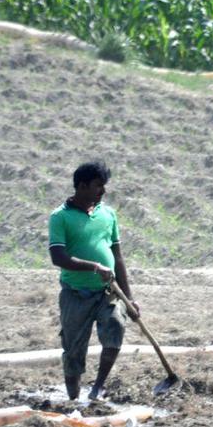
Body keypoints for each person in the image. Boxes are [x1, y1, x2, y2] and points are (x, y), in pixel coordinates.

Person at [48, 161, 139, 402]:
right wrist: (94, 267)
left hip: (107, 291)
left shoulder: (108, 214)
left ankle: (97, 387)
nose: (103, 191)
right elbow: (58, 257)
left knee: (115, 328)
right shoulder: (60, 217)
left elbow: (117, 257)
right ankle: (73, 398)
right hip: (75, 293)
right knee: (73, 350)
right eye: (98, 186)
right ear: (82, 186)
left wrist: (129, 298)